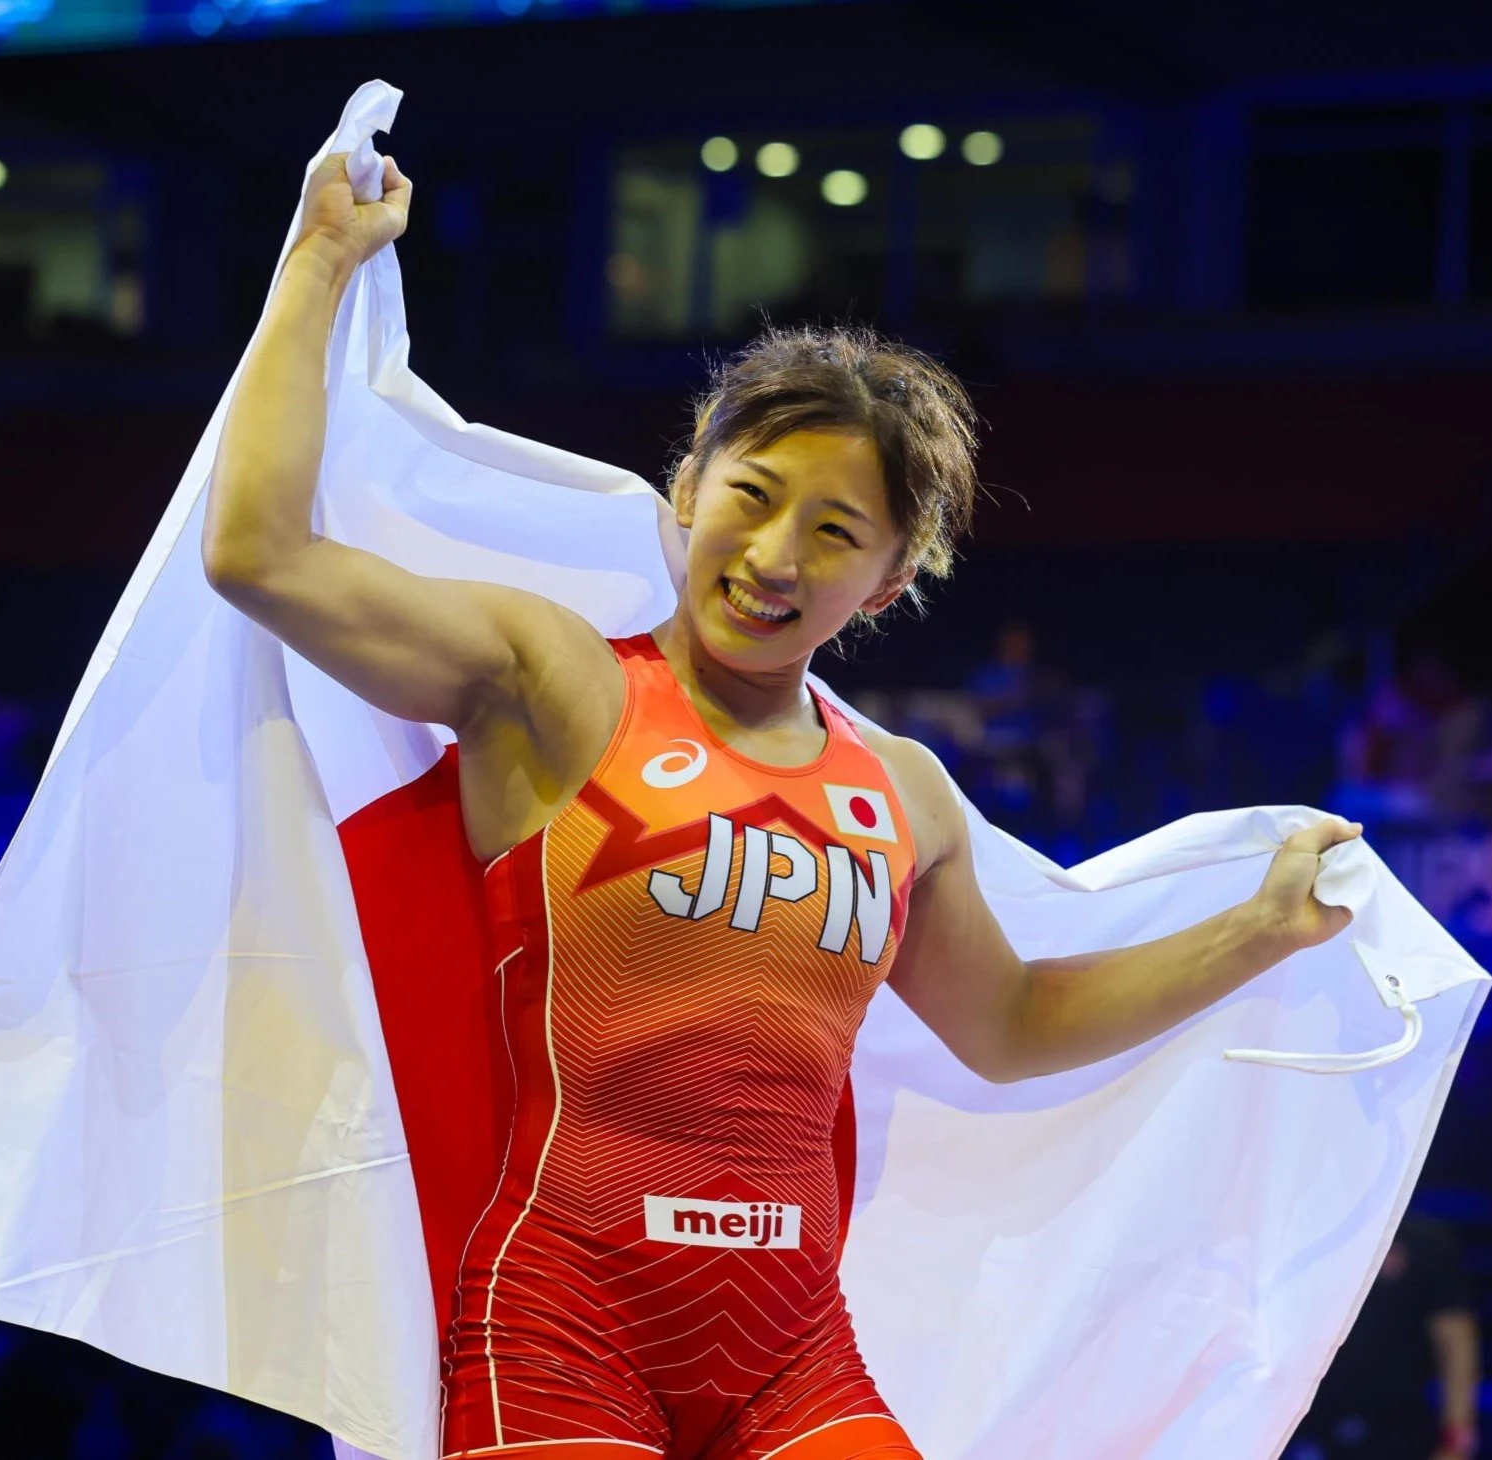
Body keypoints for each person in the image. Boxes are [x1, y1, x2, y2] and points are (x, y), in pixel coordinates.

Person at [198, 148, 1366, 1460]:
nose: (771, 556)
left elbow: (1016, 1022)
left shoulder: (900, 794)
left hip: (790, 1352)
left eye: (831, 531)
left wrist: (1258, 933)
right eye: (750, 498)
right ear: (686, 489)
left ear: (885, 580)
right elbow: (257, 553)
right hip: (553, 1322)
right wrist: (318, 262)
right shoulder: (555, 684)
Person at [1286, 1213, 1482, 1460]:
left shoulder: (1426, 1242)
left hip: (1398, 1428)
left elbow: (1457, 1342)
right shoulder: (1300, 1242)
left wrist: (1457, 1439)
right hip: (1306, 1425)